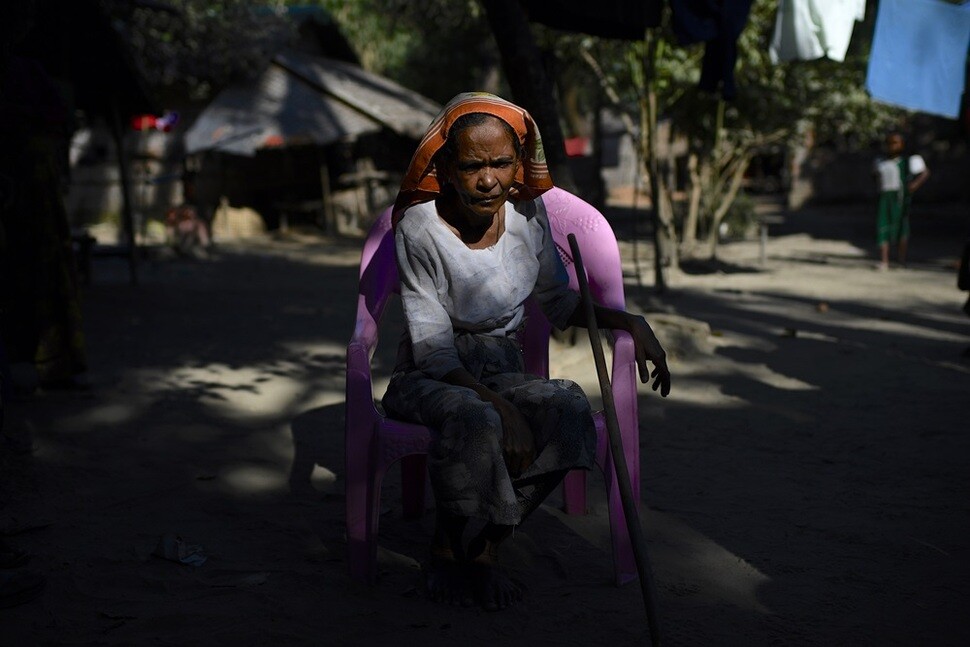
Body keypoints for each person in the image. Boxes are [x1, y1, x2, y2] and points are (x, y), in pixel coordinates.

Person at [382, 93, 671, 611]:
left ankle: (488, 549)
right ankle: (446, 549)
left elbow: (558, 303)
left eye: (500, 163)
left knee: (568, 407)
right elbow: (432, 351)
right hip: (432, 376)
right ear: (446, 169)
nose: (488, 179)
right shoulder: (419, 229)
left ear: (519, 164)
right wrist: (503, 408)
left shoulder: (527, 219)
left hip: (503, 368)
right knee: (477, 418)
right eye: (472, 165)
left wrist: (625, 319)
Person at [873, 131, 930, 270]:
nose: (892, 146)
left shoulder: (908, 161)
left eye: (896, 143)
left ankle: (901, 260)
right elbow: (875, 177)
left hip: (900, 198)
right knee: (883, 227)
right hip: (885, 198)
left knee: (901, 228)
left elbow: (924, 173)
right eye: (889, 143)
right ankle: (884, 261)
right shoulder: (880, 162)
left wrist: (914, 185)